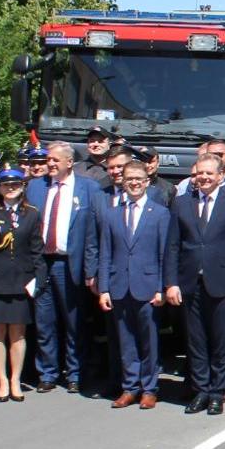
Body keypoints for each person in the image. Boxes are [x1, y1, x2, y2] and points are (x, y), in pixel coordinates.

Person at [170, 154, 225, 415]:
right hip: (189, 282)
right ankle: (201, 390)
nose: (203, 178)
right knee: (195, 340)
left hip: (222, 283)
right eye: (199, 173)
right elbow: (172, 247)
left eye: (208, 173)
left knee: (220, 340)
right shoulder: (181, 203)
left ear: (220, 176)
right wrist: (171, 283)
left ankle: (217, 392)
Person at [96, 162, 176, 410]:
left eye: (138, 179)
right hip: (119, 285)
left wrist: (162, 287)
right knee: (126, 340)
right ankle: (129, 388)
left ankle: (149, 389)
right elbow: (105, 253)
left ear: (147, 181)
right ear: (122, 181)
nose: (133, 183)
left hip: (149, 286)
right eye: (129, 179)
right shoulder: (111, 214)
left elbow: (165, 253)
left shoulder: (160, 213)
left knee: (149, 340)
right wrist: (104, 288)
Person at [29, 142, 102, 394]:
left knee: (75, 323)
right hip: (41, 264)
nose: (50, 164)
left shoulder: (89, 188)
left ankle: (75, 373)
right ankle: (47, 372)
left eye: (55, 160)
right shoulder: (35, 187)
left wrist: (91, 270)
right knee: (44, 322)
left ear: (69, 162)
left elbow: (94, 233)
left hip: (70, 264)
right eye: (48, 160)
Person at [0, 168, 43, 402]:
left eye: (15, 185)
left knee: (18, 334)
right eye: (5, 185)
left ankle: (15, 380)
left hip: (21, 282)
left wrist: (39, 280)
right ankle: (2, 381)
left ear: (23, 186)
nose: (10, 189)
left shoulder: (32, 214)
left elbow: (37, 251)